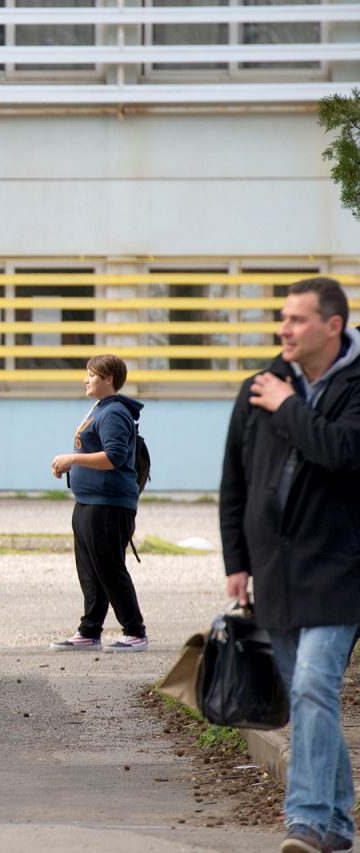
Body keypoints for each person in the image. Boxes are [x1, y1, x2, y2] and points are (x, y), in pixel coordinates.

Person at [219, 276, 360, 853]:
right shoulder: (260, 384)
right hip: (274, 570)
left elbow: (344, 454)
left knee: (310, 686)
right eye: (283, 317)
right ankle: (339, 826)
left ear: (334, 326)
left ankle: (303, 820)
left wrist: (290, 407)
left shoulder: (351, 386)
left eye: (298, 319)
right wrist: (237, 560)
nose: (285, 329)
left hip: (340, 568)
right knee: (313, 698)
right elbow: (235, 476)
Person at [48, 354, 147, 654]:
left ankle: (135, 631)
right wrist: (70, 465)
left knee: (110, 567)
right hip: (88, 501)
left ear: (108, 379)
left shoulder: (114, 412)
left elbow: (114, 456)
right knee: (90, 569)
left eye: (91, 375)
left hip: (108, 504)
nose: (85, 379)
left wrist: (73, 459)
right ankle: (90, 630)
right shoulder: (101, 409)